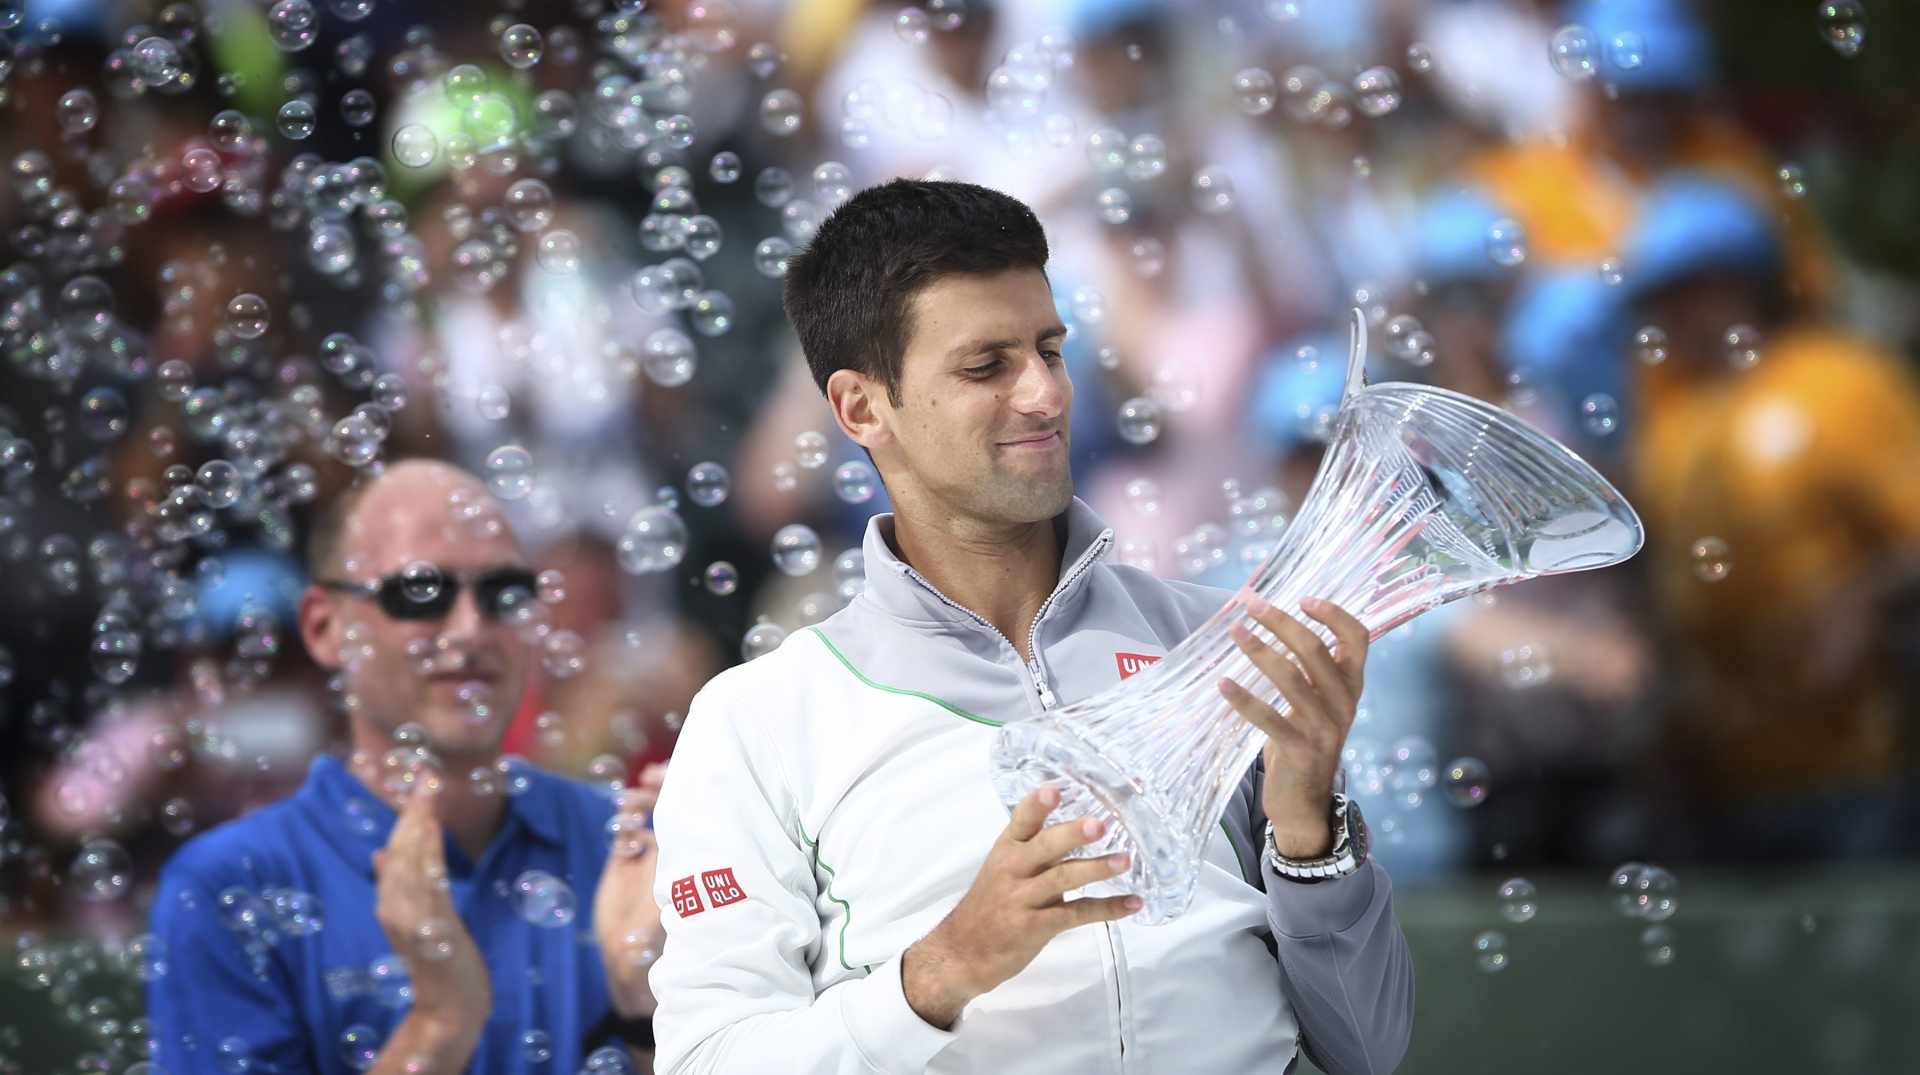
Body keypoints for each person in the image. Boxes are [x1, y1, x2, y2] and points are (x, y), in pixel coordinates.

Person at [649, 180, 1415, 1074]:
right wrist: (943, 969)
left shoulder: (1223, 645)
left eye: (1050, 349)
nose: (1046, 394)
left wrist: (1308, 835)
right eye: (988, 366)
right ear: (862, 408)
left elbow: (1368, 1049)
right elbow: (710, 1058)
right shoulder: (760, 717)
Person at [146, 459, 665, 1075]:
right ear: (323, 627)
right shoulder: (229, 885)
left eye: (505, 593)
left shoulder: (632, 846)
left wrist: (644, 1008)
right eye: (421, 592)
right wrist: (439, 1023)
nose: (470, 629)